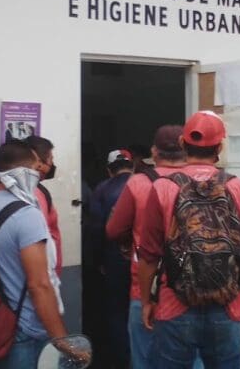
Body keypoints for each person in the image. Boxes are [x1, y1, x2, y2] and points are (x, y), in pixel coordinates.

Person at [139, 110, 240, 368]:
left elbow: (148, 256)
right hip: (227, 305)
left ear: (183, 144)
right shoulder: (239, 188)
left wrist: (146, 301)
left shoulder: (163, 188)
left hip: (174, 304)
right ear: (219, 147)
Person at [107, 125, 204, 369]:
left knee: (146, 358)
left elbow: (113, 230)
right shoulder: (202, 181)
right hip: (194, 286)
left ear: (154, 151)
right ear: (185, 147)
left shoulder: (138, 183)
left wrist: (129, 241)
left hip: (147, 288)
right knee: (193, 358)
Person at [0, 140, 67, 369]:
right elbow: (40, 285)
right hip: (23, 331)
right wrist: (62, 341)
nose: (39, 176)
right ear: (21, 173)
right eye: (36, 170)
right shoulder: (27, 214)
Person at [88, 149, 136, 369]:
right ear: (132, 165)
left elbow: (97, 229)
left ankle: (121, 360)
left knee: (116, 311)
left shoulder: (102, 189)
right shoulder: (146, 184)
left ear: (109, 170)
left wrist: (96, 260)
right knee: (143, 307)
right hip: (144, 260)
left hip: (114, 259)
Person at [25, 135, 63, 275]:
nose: (52, 164)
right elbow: (40, 238)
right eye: (51, 159)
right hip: (42, 273)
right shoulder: (35, 193)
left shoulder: (31, 189)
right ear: (39, 162)